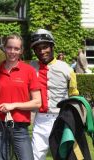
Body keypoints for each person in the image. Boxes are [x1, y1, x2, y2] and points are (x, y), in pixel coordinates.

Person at [0, 34, 42, 160]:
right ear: (4, 48)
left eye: (16, 49)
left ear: (21, 51)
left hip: (19, 126)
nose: (12, 51)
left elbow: (37, 103)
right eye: (9, 47)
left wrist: (13, 105)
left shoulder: (29, 71)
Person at [30, 29, 79, 160]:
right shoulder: (30, 68)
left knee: (64, 156)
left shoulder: (67, 69)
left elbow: (74, 95)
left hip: (61, 118)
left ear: (52, 46)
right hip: (40, 119)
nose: (42, 51)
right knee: (35, 156)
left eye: (45, 47)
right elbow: (6, 60)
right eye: (37, 48)